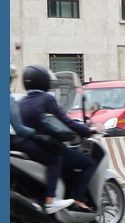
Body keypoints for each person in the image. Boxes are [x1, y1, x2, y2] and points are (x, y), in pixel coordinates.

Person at [17, 64, 97, 211]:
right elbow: (66, 120)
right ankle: (76, 199)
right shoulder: (47, 99)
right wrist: (87, 130)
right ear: (43, 81)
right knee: (88, 163)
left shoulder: (21, 102)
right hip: (47, 146)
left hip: (30, 147)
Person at [10, 64, 74, 214]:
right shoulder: (9, 100)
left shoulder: (20, 101)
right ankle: (51, 200)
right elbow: (19, 129)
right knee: (55, 157)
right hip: (16, 142)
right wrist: (34, 133)